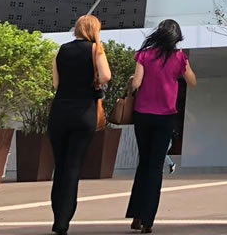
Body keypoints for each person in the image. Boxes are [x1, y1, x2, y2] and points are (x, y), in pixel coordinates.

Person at [126, 19, 196, 233]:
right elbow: (192, 82)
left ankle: (136, 215)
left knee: (144, 163)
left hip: (142, 115)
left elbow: (136, 84)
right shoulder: (179, 57)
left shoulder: (144, 55)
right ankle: (148, 220)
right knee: (156, 167)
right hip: (165, 117)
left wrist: (132, 80)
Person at [48, 15, 112, 235]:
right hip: (84, 112)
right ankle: (64, 219)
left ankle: (57, 216)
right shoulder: (95, 49)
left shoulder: (62, 50)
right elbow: (106, 76)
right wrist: (93, 81)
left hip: (59, 112)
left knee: (60, 165)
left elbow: (56, 83)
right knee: (73, 166)